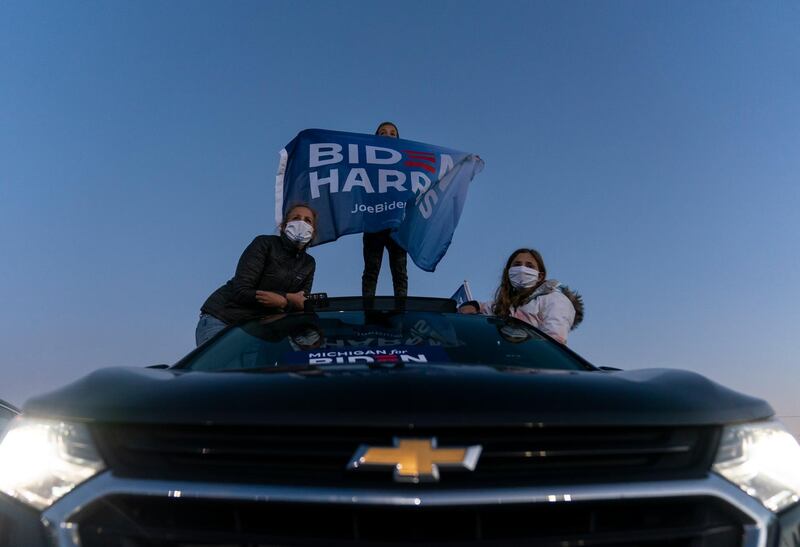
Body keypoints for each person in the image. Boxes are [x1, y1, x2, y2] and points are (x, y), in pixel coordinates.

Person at [195, 204, 317, 346]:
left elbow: (300, 304)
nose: (301, 223)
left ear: (313, 232)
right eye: (296, 218)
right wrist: (287, 298)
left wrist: (286, 301)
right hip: (223, 320)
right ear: (283, 226)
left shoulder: (309, 263)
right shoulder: (264, 243)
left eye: (308, 220)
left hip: (256, 331)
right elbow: (241, 290)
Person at [460, 248, 584, 344]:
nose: (522, 269)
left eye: (529, 266)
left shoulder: (555, 300)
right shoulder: (507, 305)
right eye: (517, 265)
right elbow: (484, 307)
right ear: (508, 272)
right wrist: (472, 305)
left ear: (540, 276)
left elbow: (554, 341)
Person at [361, 121, 408, 298]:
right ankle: (367, 308)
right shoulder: (365, 162)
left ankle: (402, 308)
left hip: (397, 224)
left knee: (400, 270)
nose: (388, 135)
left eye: (392, 133)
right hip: (374, 222)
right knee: (371, 269)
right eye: (382, 133)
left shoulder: (406, 165)